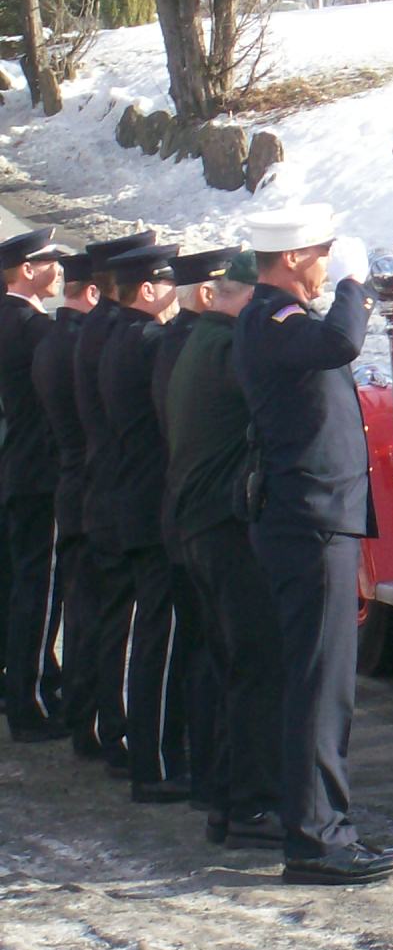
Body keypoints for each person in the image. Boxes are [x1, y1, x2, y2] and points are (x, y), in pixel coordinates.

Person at [236, 205, 393, 884]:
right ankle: (317, 839)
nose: (330, 262)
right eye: (323, 252)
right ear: (294, 258)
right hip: (310, 520)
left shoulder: (280, 320)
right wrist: (355, 288)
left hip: (313, 516)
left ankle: (314, 823)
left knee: (317, 681)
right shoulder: (277, 320)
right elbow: (341, 344)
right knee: (321, 685)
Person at [166, 250, 282, 846]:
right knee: (255, 665)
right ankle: (251, 803)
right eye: (254, 300)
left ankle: (224, 796)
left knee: (228, 663)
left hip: (199, 525)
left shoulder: (199, 343)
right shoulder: (226, 347)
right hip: (224, 526)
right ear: (231, 295)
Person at [98, 242, 188, 801]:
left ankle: (146, 752)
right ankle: (151, 764)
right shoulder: (149, 341)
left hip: (128, 497)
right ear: (149, 289)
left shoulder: (116, 337)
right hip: (150, 502)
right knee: (158, 634)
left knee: (147, 629)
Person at [153, 247, 237, 821]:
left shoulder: (173, 342)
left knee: (203, 650)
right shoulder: (196, 347)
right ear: (207, 294)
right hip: (199, 516)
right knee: (211, 653)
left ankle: (208, 772)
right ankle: (212, 775)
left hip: (182, 514)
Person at [72, 229, 159, 771]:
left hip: (103, 485)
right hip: (123, 488)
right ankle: (119, 732)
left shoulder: (94, 330)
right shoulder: (121, 335)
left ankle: (101, 724)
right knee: (125, 623)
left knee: (107, 617)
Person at [33, 250, 101, 756]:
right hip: (88, 485)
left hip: (72, 483)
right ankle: (89, 713)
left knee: (81, 604)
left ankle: (80, 708)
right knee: (92, 608)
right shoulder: (81, 345)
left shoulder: (55, 339)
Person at [0, 228, 66, 741]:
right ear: (26, 270)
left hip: (15, 466)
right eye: (50, 260)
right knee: (37, 591)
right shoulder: (32, 328)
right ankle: (31, 700)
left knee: (16, 583)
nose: (59, 269)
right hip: (39, 469)